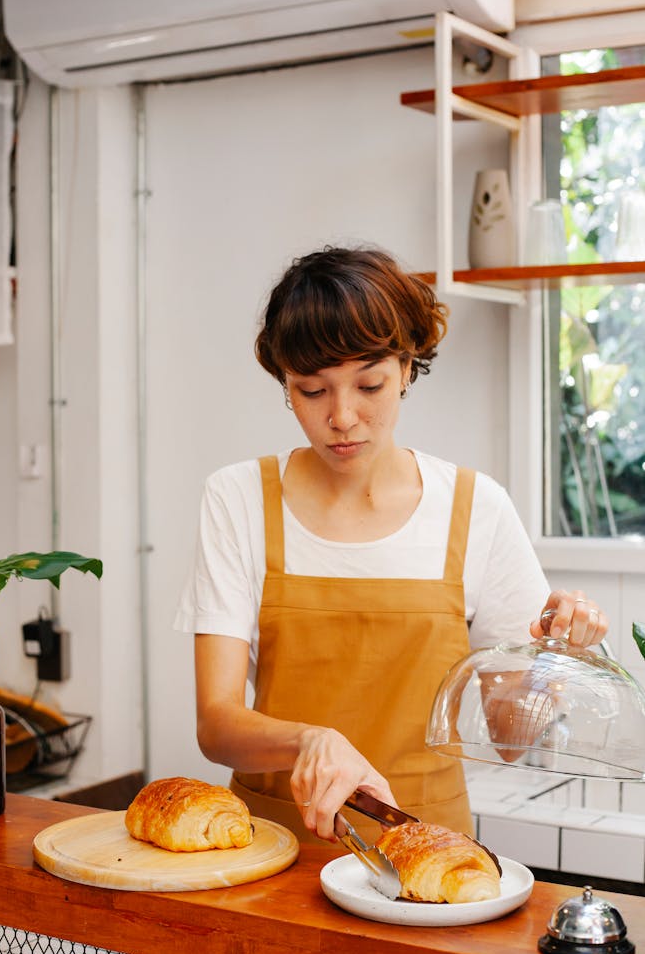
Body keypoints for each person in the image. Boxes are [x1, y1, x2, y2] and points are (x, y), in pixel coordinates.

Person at [174, 246, 608, 845]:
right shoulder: (239, 497)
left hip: (424, 847)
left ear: (407, 367)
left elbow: (512, 742)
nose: (343, 417)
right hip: (273, 845)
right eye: (311, 391)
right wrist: (310, 740)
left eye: (369, 383)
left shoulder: (476, 508)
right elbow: (216, 726)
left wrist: (549, 661)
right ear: (285, 386)